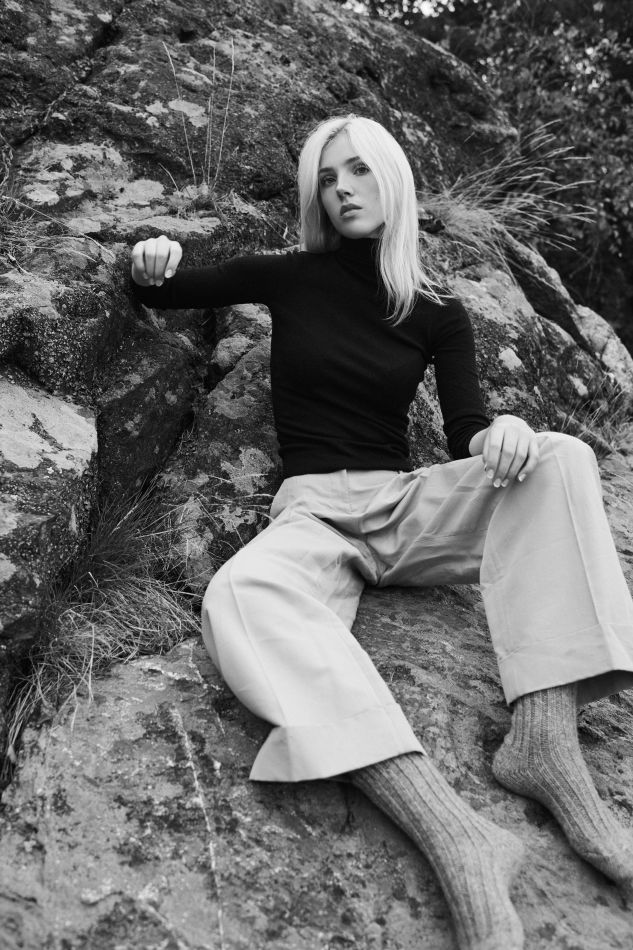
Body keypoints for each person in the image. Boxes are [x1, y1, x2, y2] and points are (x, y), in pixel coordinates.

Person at [130, 114, 633, 950]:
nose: (342, 189)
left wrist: (504, 430)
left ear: (392, 177)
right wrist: (152, 260)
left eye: (358, 170)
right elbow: (171, 290)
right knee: (243, 593)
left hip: (401, 508)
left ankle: (545, 743)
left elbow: (468, 431)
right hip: (313, 515)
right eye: (327, 179)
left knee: (560, 457)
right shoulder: (290, 275)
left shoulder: (437, 312)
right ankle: (455, 832)